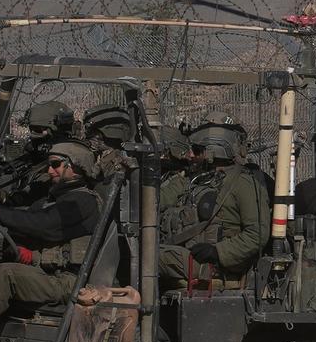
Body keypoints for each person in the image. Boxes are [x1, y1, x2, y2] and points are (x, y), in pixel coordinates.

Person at [0, 140, 103, 342]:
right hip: (46, 273)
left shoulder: (82, 202)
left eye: (56, 164)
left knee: (7, 274)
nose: (50, 171)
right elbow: (30, 221)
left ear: (75, 167)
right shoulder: (54, 199)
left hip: (69, 282)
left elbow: (43, 225)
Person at [159, 115, 271, 291]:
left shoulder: (243, 184)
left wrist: (218, 252)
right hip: (191, 255)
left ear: (213, 151)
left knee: (152, 258)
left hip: (217, 265)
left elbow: (257, 235)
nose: (189, 155)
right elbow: (159, 201)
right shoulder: (195, 178)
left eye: (196, 151)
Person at [0, 100, 77, 205]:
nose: (33, 135)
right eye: (32, 129)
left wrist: (7, 199)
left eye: (38, 129)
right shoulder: (32, 153)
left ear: (56, 130)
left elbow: (38, 190)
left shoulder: (70, 159)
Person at [81, 103, 135, 181]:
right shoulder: (105, 156)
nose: (87, 137)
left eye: (93, 133)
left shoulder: (114, 161)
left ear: (109, 134)